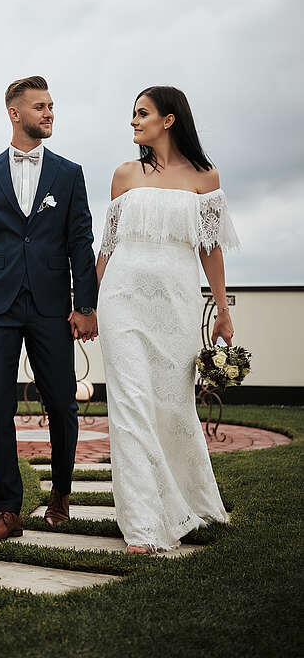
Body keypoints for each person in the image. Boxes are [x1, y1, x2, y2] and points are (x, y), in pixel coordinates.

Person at [96, 86, 240, 553]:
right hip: (121, 299)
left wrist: (222, 310)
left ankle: (188, 498)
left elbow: (210, 248)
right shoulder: (124, 175)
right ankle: (141, 524)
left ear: (170, 119)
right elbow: (108, 247)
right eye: (133, 114)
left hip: (175, 305)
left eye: (142, 113)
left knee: (173, 406)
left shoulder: (204, 177)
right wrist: (87, 305)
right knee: (130, 406)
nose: (134, 121)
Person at [0, 75, 98, 540]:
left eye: (52, 105)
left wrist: (85, 305)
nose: (49, 113)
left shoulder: (69, 173)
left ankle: (60, 495)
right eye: (40, 106)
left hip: (52, 306)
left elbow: (81, 243)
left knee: (61, 403)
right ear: (15, 113)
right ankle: (9, 511)